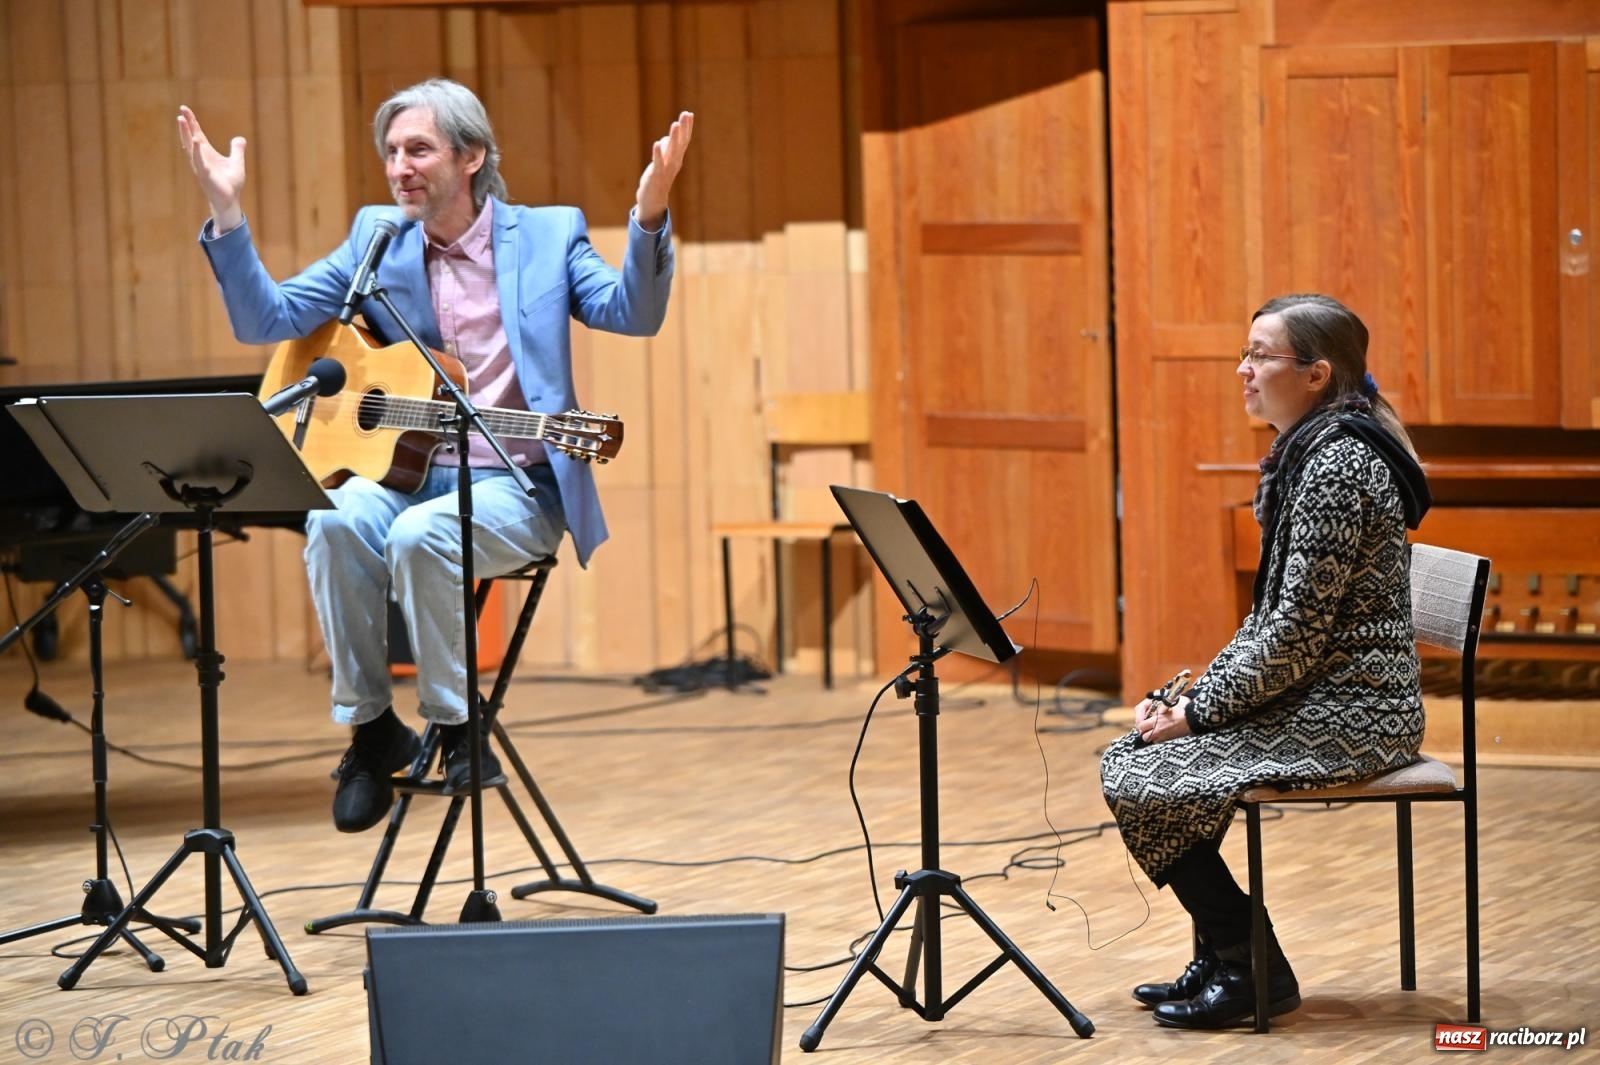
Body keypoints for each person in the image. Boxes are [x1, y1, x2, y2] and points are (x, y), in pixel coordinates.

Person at [177, 80, 694, 833]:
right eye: (390, 152)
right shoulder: (377, 239)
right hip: (406, 471)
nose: (399, 167)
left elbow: (633, 313)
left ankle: (456, 723)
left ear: (472, 155)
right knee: (335, 522)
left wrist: (650, 212)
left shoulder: (548, 238)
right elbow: (269, 320)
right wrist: (227, 209)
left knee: (425, 536)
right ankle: (372, 728)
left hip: (518, 484)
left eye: (418, 149)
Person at [1099, 293, 1432, 1029]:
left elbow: (1294, 638)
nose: (1243, 370)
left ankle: (1250, 965)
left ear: (1315, 374)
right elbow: (1269, 625)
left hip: (1359, 711)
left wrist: (1197, 715)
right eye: (1243, 354)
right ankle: (1226, 955)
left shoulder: (1338, 467)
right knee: (1138, 758)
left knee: (1139, 770)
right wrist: (1188, 700)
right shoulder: (1306, 454)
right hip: (1319, 693)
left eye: (1260, 354)